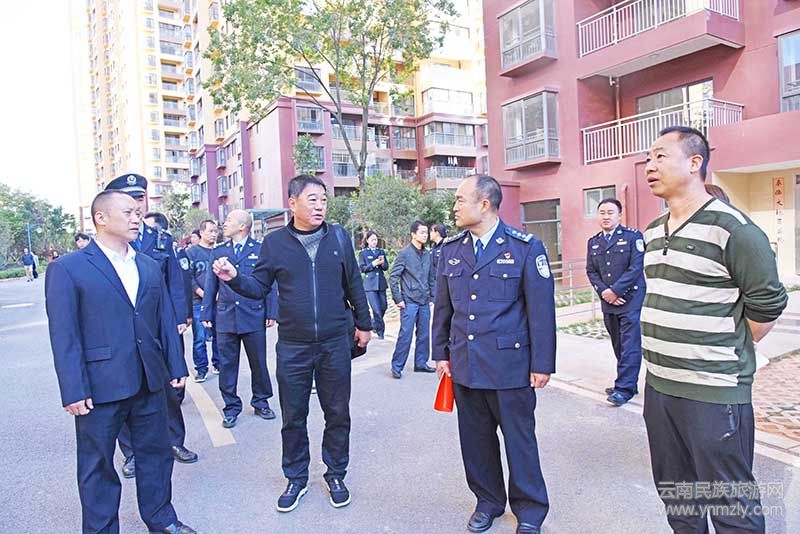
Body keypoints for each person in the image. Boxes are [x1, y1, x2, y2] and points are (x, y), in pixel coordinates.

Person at [642, 126, 787, 533]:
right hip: (660, 387)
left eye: (660, 156)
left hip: (714, 390)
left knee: (729, 502)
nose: (650, 166)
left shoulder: (734, 229)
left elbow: (767, 303)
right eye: (648, 158)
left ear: (695, 163)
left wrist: (727, 344)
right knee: (678, 496)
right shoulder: (653, 231)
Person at [211, 174, 371, 513]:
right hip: (293, 346)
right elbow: (258, 287)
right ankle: (296, 478)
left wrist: (365, 324)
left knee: (337, 413)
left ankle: (336, 474)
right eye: (312, 200)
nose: (320, 206)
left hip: (334, 342)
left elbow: (354, 283)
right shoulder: (275, 244)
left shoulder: (338, 237)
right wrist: (234, 279)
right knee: (293, 415)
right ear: (292, 203)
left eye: (324, 200)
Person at [45, 190, 195, 534]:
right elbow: (64, 335)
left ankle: (162, 519)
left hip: (149, 379)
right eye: (127, 212)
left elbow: (164, 318)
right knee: (97, 465)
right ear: (100, 218)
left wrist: (176, 366)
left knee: (156, 455)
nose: (136, 218)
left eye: (138, 212)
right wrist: (73, 388)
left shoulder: (147, 264)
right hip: (100, 385)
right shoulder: (68, 268)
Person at [432, 174, 556, 534]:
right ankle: (487, 501)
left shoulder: (524, 247)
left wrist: (542, 364)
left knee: (520, 442)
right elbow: (443, 307)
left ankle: (530, 510)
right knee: (475, 441)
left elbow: (541, 311)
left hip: (510, 367)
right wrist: (441, 353)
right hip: (465, 364)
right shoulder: (451, 250)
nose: (454, 207)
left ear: (484, 204)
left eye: (460, 199)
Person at [104, 174, 197, 479]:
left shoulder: (160, 239)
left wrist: (181, 317)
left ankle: (174, 441)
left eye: (140, 198)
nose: (137, 204)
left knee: (170, 388)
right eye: (129, 199)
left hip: (160, 326)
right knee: (126, 389)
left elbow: (175, 282)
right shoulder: (109, 242)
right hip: (123, 330)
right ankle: (132, 453)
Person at [201, 209, 278, 428]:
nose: (224, 224)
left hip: (253, 313)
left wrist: (271, 312)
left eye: (229, 220)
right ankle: (231, 407)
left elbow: (269, 283)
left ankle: (261, 402)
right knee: (227, 365)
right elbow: (210, 284)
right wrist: (207, 312)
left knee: (258, 362)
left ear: (242, 226)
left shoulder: (260, 250)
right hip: (226, 316)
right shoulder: (219, 251)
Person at [585, 198, 645, 406]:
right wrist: (605, 292)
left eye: (610, 212)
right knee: (618, 343)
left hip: (630, 299)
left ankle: (624, 389)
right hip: (608, 301)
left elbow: (636, 267)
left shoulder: (633, 237)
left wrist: (616, 290)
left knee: (630, 344)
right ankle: (628, 381)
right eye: (602, 212)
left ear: (619, 215)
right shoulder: (594, 242)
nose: (606, 216)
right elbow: (591, 271)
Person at [389, 220, 436, 378]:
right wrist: (398, 299)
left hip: (424, 301)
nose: (425, 235)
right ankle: (397, 366)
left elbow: (431, 277)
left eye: (426, 232)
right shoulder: (404, 254)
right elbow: (393, 277)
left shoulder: (428, 254)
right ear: (413, 234)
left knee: (424, 334)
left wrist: (432, 297)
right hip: (408, 301)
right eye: (422, 232)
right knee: (406, 335)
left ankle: (421, 363)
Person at [185, 219, 221, 382]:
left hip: (218, 301)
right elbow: (189, 277)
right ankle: (201, 368)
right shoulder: (192, 253)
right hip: (198, 302)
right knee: (200, 338)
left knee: (219, 335)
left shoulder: (219, 252)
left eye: (215, 231)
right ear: (201, 233)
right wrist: (204, 294)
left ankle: (218, 363)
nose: (214, 234)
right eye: (210, 231)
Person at [358, 231, 388, 340]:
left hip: (381, 284)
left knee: (383, 307)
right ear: (367, 241)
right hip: (370, 285)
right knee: (376, 310)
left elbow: (386, 267)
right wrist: (373, 264)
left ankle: (373, 323)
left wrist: (383, 263)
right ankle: (381, 332)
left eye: (375, 240)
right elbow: (362, 269)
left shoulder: (381, 251)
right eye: (372, 240)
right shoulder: (363, 253)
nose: (374, 242)